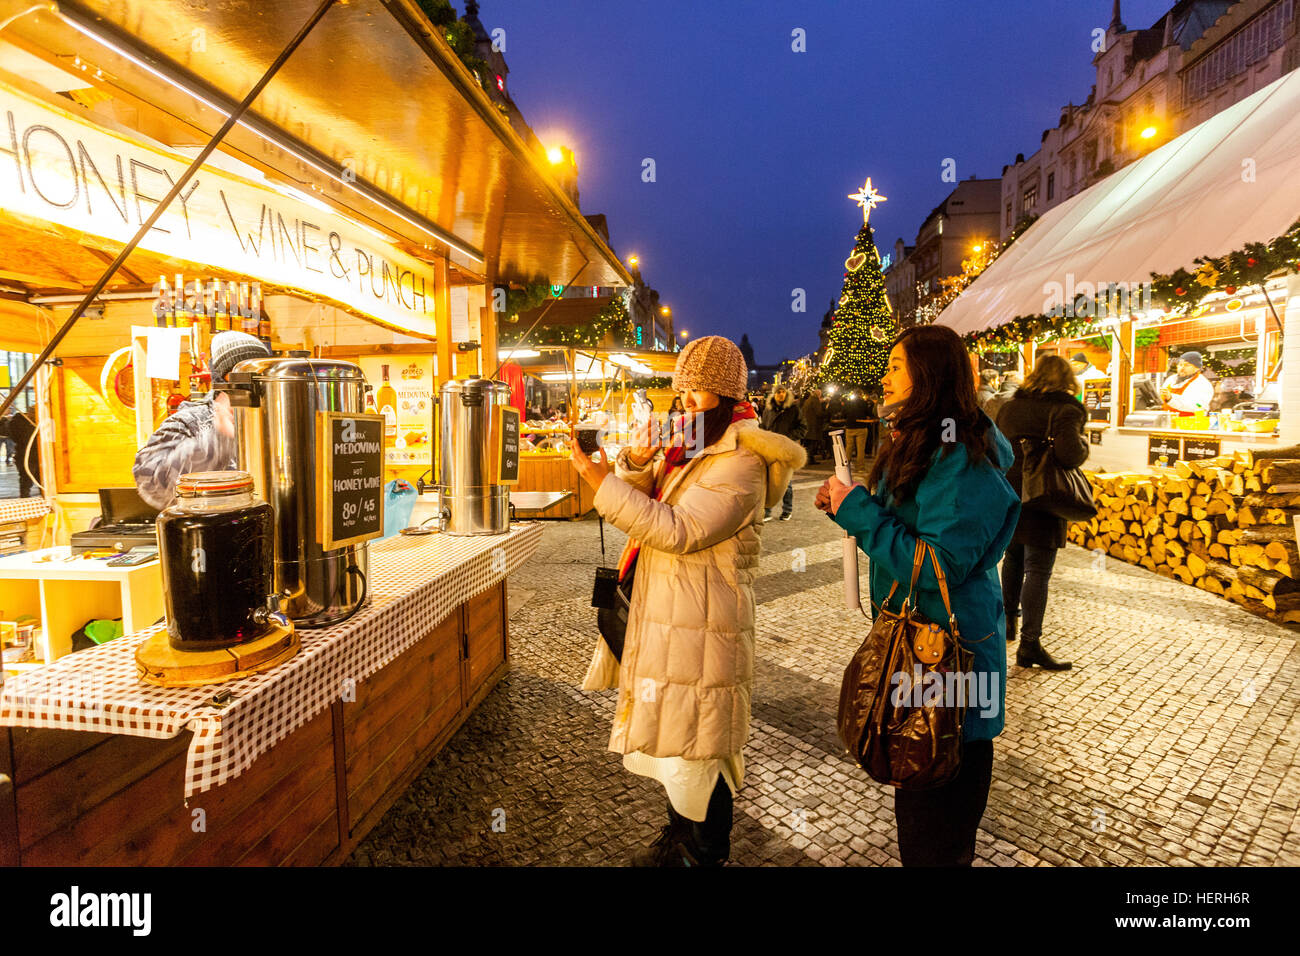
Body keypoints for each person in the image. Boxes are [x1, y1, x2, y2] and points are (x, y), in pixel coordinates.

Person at [570, 335, 806, 866]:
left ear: (726, 395)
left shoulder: (743, 458)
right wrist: (633, 458)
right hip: (671, 611)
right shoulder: (689, 445)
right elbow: (647, 493)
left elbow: (679, 530)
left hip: (706, 618)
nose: (687, 402)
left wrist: (599, 482)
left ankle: (703, 854)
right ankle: (679, 839)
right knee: (679, 736)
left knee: (705, 743)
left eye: (699, 391)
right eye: (683, 391)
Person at [815, 324, 1019, 867]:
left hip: (954, 663)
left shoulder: (962, 458)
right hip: (922, 654)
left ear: (929, 376)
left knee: (936, 832)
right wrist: (851, 501)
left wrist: (858, 512)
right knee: (920, 813)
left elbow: (937, 565)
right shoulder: (924, 441)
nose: (884, 376)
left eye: (896, 367)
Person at [995, 355, 1088, 670]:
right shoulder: (1065, 410)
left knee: (1013, 557)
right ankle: (1030, 645)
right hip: (1044, 496)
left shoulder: (1010, 407)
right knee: (1038, 570)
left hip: (1009, 492)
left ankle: (1008, 624)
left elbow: (994, 447)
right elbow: (1070, 455)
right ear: (1067, 381)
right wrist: (1085, 446)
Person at [133, 330, 271, 510]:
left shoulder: (277, 417)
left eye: (260, 373)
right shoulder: (191, 422)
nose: (253, 384)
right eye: (240, 374)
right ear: (221, 378)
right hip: (220, 531)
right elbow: (153, 484)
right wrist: (217, 438)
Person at [760, 384, 806, 521]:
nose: (781, 394)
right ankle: (767, 511)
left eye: (783, 392)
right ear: (773, 394)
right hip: (770, 448)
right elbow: (763, 425)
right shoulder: (768, 410)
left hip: (785, 448)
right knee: (768, 479)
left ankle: (787, 509)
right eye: (778, 392)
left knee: (786, 481)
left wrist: (788, 438)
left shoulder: (793, 409)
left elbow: (803, 427)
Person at [1160, 351, 1214, 415]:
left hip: (1190, 422)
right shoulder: (1171, 379)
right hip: (1168, 421)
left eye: (1187, 365)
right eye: (1180, 365)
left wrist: (1171, 398)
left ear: (1197, 368)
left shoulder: (1202, 384)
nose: (1182, 368)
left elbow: (1197, 406)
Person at [8, 406, 40, 498]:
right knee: (26, 478)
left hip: (39, 455)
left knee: (41, 479)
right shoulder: (20, 421)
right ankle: (24, 496)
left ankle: (44, 496)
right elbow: (16, 436)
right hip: (25, 455)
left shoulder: (39, 423)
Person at [843, 389, 872, 468]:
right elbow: (869, 413)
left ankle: (846, 464)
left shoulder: (848, 403)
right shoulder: (864, 403)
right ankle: (860, 466)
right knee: (860, 448)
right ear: (860, 394)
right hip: (861, 427)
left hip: (850, 426)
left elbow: (844, 413)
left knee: (849, 447)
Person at [800, 387, 825, 464]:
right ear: (818, 394)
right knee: (813, 443)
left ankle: (809, 459)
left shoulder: (808, 400)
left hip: (807, 425)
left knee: (809, 443)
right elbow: (819, 413)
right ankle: (810, 459)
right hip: (813, 425)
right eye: (820, 394)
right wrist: (825, 412)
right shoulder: (815, 400)